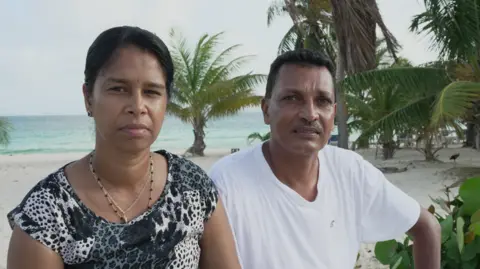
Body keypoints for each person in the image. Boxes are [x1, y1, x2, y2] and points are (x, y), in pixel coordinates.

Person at [6, 26, 241, 269]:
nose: (137, 106)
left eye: (151, 92)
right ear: (88, 97)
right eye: (118, 89)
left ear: (165, 102)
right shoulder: (47, 213)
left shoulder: (193, 188)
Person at [208, 49, 441, 269]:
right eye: (292, 98)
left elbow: (427, 227)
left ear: (334, 112)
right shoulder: (227, 182)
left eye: (323, 101)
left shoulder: (351, 171)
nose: (310, 114)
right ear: (267, 109)